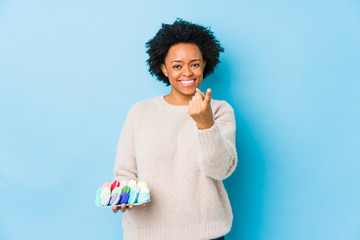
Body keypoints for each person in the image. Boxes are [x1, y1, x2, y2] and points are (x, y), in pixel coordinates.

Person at [112, 19, 237, 240]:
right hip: (147, 234)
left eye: (195, 64)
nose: (187, 73)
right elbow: (125, 173)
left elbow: (220, 171)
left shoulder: (219, 111)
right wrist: (123, 195)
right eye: (177, 66)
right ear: (164, 68)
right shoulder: (140, 112)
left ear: (204, 65)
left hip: (205, 233)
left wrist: (205, 124)